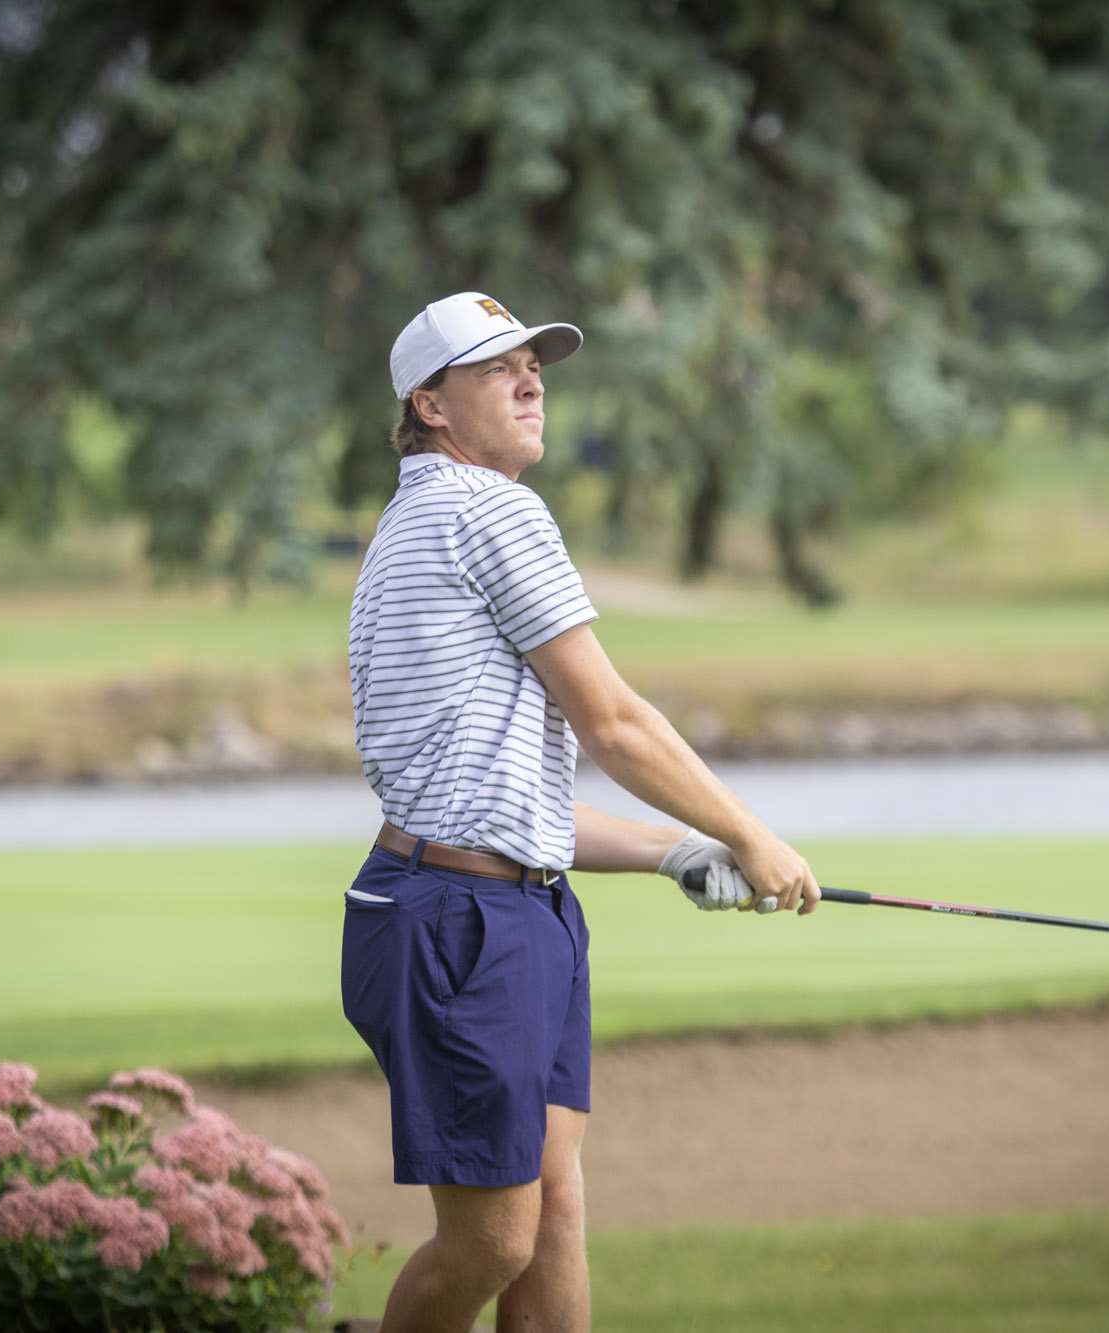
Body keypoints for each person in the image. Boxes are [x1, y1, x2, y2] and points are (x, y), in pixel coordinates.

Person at [344, 291, 821, 1333]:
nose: (530, 383)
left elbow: (504, 808)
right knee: (495, 1239)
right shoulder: (487, 510)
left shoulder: (413, 518)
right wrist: (750, 833)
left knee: (554, 1208)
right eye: (495, 370)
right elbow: (612, 723)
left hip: (498, 904)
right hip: (460, 924)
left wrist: (673, 852)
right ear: (429, 403)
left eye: (534, 366)